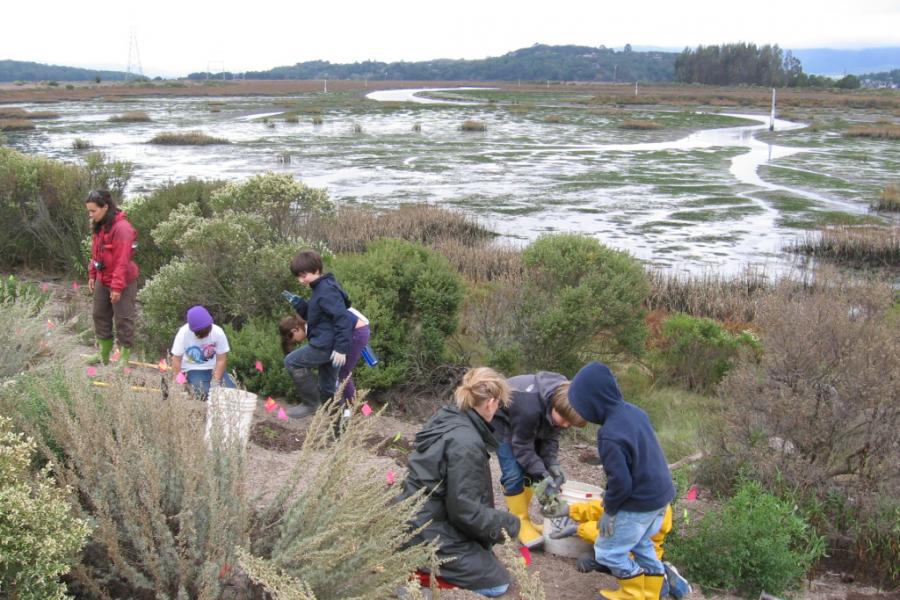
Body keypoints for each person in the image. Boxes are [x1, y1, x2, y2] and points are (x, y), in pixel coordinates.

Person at [398, 367, 521, 597]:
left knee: (485, 560)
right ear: (491, 402)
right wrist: (511, 525)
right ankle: (419, 584)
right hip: (428, 530)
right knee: (497, 583)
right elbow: (465, 512)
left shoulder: (448, 417)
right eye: (499, 404)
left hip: (414, 519)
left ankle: (418, 567)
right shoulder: (467, 443)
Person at [559, 362, 676, 600]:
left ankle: (631, 595)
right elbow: (640, 454)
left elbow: (621, 484)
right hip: (661, 499)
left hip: (638, 503)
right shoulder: (635, 412)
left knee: (608, 552)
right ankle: (651, 594)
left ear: (592, 403)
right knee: (643, 546)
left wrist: (610, 511)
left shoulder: (608, 434)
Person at [493, 371, 587, 549]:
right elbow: (522, 447)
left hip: (529, 422)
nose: (566, 425)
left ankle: (522, 518)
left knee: (532, 471)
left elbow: (550, 438)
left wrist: (552, 464)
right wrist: (542, 474)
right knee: (514, 472)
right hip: (502, 420)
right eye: (565, 420)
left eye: (571, 423)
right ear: (554, 406)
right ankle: (519, 522)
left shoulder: (563, 402)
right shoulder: (529, 407)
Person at [281, 249, 356, 418]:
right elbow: (316, 318)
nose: (300, 281)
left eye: (303, 275)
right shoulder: (320, 289)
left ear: (316, 270)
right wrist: (299, 303)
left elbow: (342, 319)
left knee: (292, 362)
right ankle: (340, 433)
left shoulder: (326, 290)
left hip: (325, 345)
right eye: (298, 277)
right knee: (329, 388)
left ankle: (310, 404)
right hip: (329, 344)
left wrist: (341, 348)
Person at [85, 190, 139, 366]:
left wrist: (116, 287)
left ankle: (124, 358)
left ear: (105, 207)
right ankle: (104, 353)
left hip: (122, 280)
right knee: (99, 314)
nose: (90, 215)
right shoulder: (100, 225)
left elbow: (122, 261)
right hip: (103, 277)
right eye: (89, 211)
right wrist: (93, 274)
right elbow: (95, 253)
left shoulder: (122, 228)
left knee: (123, 318)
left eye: (93, 211)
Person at [170, 305, 236, 399]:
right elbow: (176, 360)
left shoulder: (218, 332)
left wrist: (216, 382)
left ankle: (224, 381)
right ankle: (192, 386)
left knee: (231, 393)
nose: (204, 336)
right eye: (201, 334)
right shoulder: (183, 333)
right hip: (192, 369)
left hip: (214, 368)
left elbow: (221, 359)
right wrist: (181, 382)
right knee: (203, 392)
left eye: (207, 332)